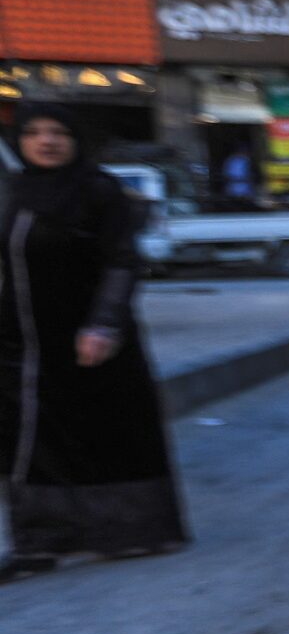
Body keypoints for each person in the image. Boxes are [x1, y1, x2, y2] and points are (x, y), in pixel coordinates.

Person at [0, 105, 188, 577]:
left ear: (76, 139)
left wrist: (104, 325)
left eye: (59, 132)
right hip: (23, 344)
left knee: (107, 434)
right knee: (31, 441)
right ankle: (38, 542)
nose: (47, 141)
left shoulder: (99, 191)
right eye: (35, 132)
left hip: (91, 339)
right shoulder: (14, 193)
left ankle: (129, 531)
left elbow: (122, 262)